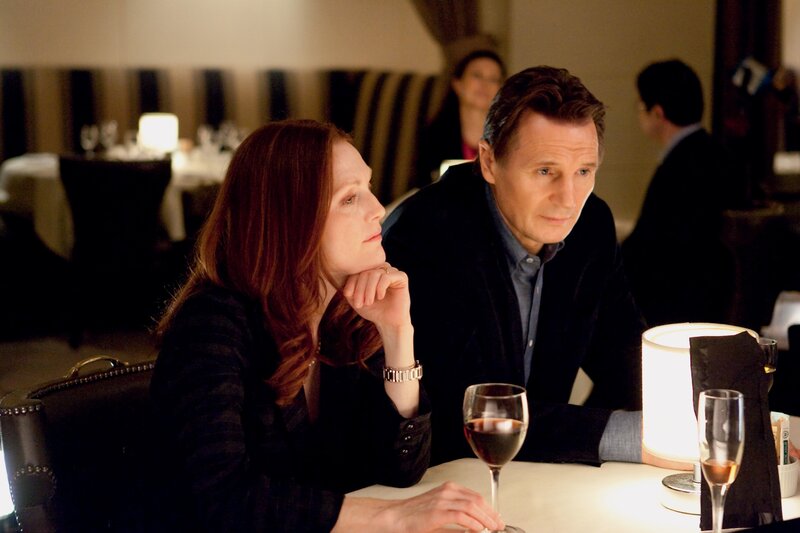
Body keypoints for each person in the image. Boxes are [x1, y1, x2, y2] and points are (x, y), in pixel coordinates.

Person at [151, 120, 502, 532]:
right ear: (289, 220)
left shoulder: (343, 317)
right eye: (350, 198)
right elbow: (225, 500)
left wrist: (398, 335)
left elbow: (401, 469)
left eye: (368, 187)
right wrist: (392, 517)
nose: (378, 209)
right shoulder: (211, 326)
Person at [384, 66, 648, 467]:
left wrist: (697, 413)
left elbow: (625, 357)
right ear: (489, 161)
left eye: (583, 172)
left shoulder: (591, 225)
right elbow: (468, 414)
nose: (568, 199)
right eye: (545, 171)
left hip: (537, 477)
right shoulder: (427, 235)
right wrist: (629, 437)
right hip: (439, 477)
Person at [622, 59, 748, 326]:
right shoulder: (715, 152)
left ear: (658, 113)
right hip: (711, 296)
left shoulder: (681, 166)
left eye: (641, 107)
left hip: (680, 305)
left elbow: (650, 247)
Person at [417, 49, 505, 184]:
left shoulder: (508, 137)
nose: (485, 84)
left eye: (493, 79)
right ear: (457, 84)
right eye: (477, 75)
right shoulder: (434, 135)